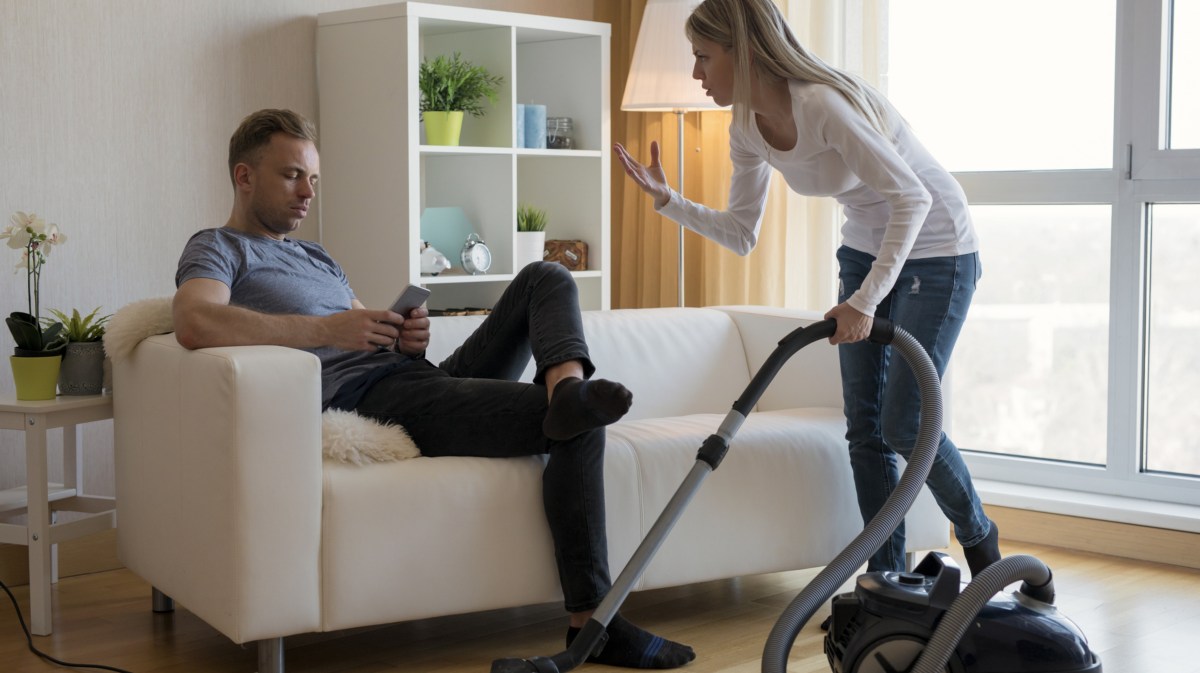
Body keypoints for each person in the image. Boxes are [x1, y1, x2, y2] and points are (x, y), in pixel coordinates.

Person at [173, 108, 695, 670]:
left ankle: (566, 388)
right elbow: (195, 321)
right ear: (244, 176)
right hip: (376, 401)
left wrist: (403, 337)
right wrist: (327, 330)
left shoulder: (315, 254)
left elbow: (363, 334)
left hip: (414, 376)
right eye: (292, 175)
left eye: (314, 180)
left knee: (547, 276)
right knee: (579, 423)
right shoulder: (219, 247)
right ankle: (594, 625)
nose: (308, 193)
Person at [613, 0, 1000, 577]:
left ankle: (981, 541)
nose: (697, 74)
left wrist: (863, 301)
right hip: (868, 247)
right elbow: (742, 233)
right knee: (864, 430)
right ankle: (886, 580)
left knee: (902, 422)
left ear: (741, 52)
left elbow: (912, 198)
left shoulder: (822, 104)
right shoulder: (745, 125)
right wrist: (669, 203)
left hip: (938, 247)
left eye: (702, 57)